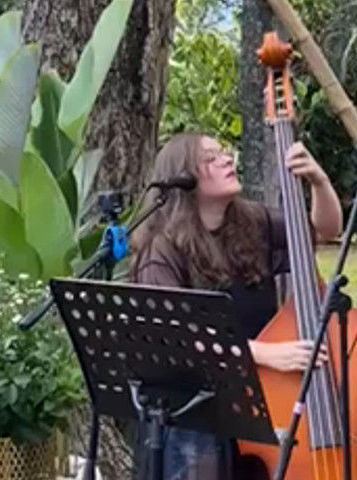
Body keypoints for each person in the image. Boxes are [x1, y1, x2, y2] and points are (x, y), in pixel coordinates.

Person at [130, 132, 343, 480]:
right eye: (211, 158)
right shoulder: (162, 248)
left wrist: (318, 180)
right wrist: (259, 353)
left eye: (224, 153)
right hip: (197, 408)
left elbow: (325, 228)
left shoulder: (251, 221)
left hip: (260, 394)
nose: (227, 160)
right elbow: (173, 335)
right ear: (184, 177)